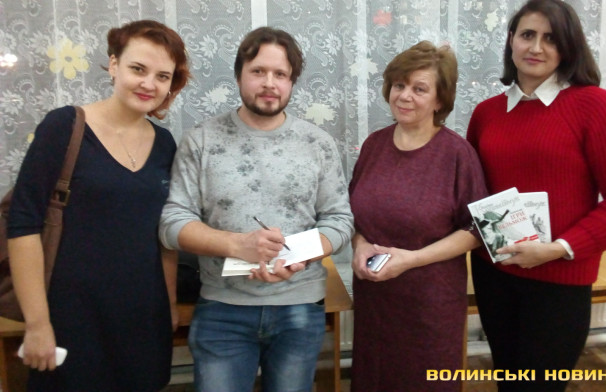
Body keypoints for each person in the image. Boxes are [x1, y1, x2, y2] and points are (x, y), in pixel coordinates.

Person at [159, 26, 354, 392]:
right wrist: (237, 245)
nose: (269, 83)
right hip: (222, 309)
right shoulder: (201, 140)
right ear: (239, 76)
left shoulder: (318, 143)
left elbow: (340, 221)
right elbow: (173, 223)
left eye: (280, 74)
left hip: (299, 308)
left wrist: (297, 256)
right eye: (258, 71)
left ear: (292, 82)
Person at [467, 0, 606, 391]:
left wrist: (559, 248)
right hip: (495, 274)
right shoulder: (487, 113)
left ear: (568, 47)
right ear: (511, 40)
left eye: (551, 38)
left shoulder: (593, 105)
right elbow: (473, 193)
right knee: (509, 381)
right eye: (527, 35)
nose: (536, 47)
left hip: (559, 278)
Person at [7, 20, 192, 391]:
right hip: (70, 316)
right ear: (113, 65)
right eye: (138, 69)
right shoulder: (64, 126)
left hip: (142, 315)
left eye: (162, 76)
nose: (149, 84)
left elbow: (164, 234)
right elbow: (23, 224)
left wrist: (169, 304)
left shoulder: (165, 143)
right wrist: (38, 323)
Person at [349, 41, 487, 392]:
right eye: (399, 85)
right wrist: (359, 245)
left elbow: (477, 229)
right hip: (375, 302)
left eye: (419, 89)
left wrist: (411, 260)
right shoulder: (374, 145)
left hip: (430, 306)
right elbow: (353, 214)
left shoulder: (457, 154)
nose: (405, 96)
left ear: (440, 100)